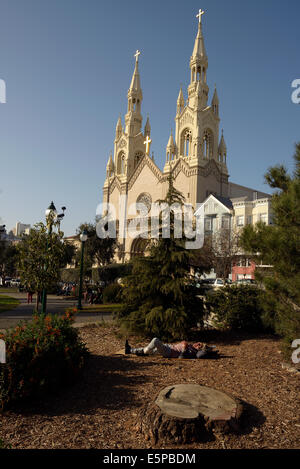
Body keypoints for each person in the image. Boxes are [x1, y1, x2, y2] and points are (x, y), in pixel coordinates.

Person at [125, 338, 218, 359]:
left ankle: (145, 351)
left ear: (199, 349)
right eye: (199, 342)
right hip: (168, 347)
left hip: (168, 352)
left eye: (199, 345)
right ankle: (129, 350)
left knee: (155, 341)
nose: (198, 343)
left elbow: (181, 357)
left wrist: (184, 347)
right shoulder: (191, 346)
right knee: (151, 348)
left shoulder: (192, 352)